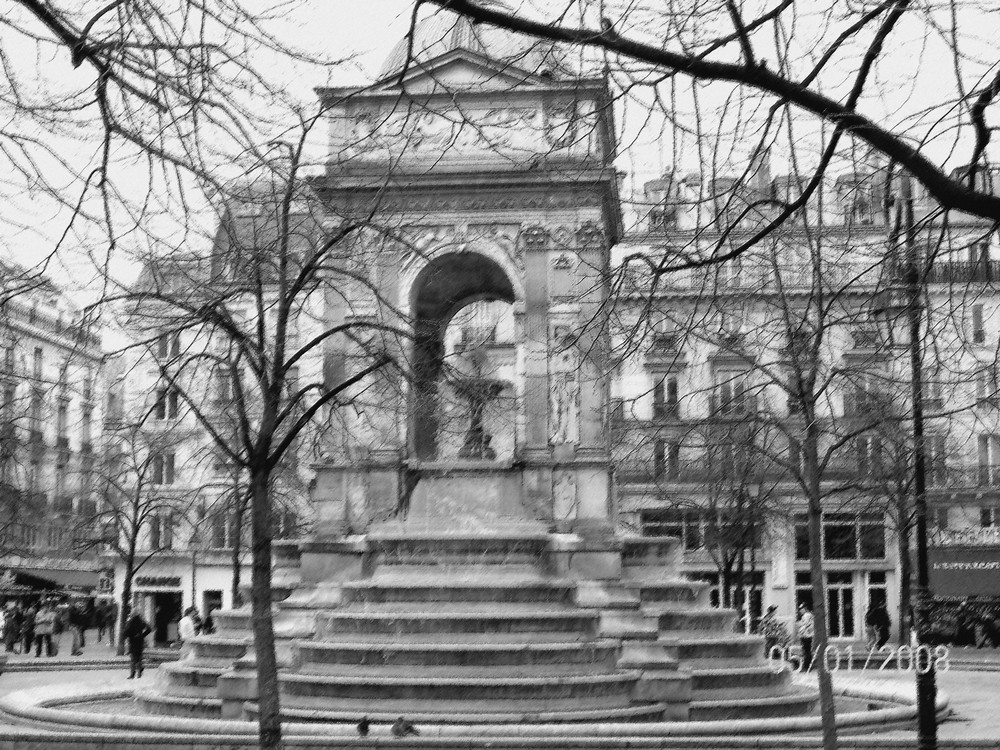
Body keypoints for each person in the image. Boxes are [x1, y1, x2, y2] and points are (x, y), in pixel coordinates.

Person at [123, 611, 152, 678]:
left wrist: (127, 637)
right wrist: (142, 635)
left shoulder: (130, 622)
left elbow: (126, 632)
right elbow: (149, 629)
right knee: (139, 657)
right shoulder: (141, 621)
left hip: (132, 642)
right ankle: (139, 672)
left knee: (133, 658)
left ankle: (133, 674)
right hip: (140, 642)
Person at [796, 603, 815, 671]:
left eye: (801, 609)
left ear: (804, 609)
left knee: (806, 652)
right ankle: (808, 666)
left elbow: (805, 625)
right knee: (808, 651)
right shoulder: (809, 615)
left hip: (806, 636)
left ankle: (807, 667)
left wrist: (800, 629)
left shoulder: (806, 615)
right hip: (808, 635)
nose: (800, 611)